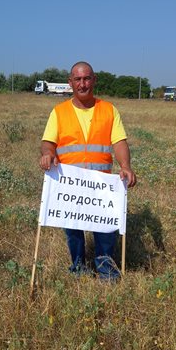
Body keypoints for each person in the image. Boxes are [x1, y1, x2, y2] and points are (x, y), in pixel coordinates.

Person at [39, 61, 136, 280]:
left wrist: (126, 166)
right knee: (73, 231)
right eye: (78, 79)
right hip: (70, 186)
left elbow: (119, 142)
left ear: (94, 80)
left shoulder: (109, 110)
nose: (82, 84)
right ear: (70, 82)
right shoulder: (59, 112)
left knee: (105, 231)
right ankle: (78, 269)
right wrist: (48, 153)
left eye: (87, 78)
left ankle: (106, 272)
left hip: (101, 185)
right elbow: (48, 142)